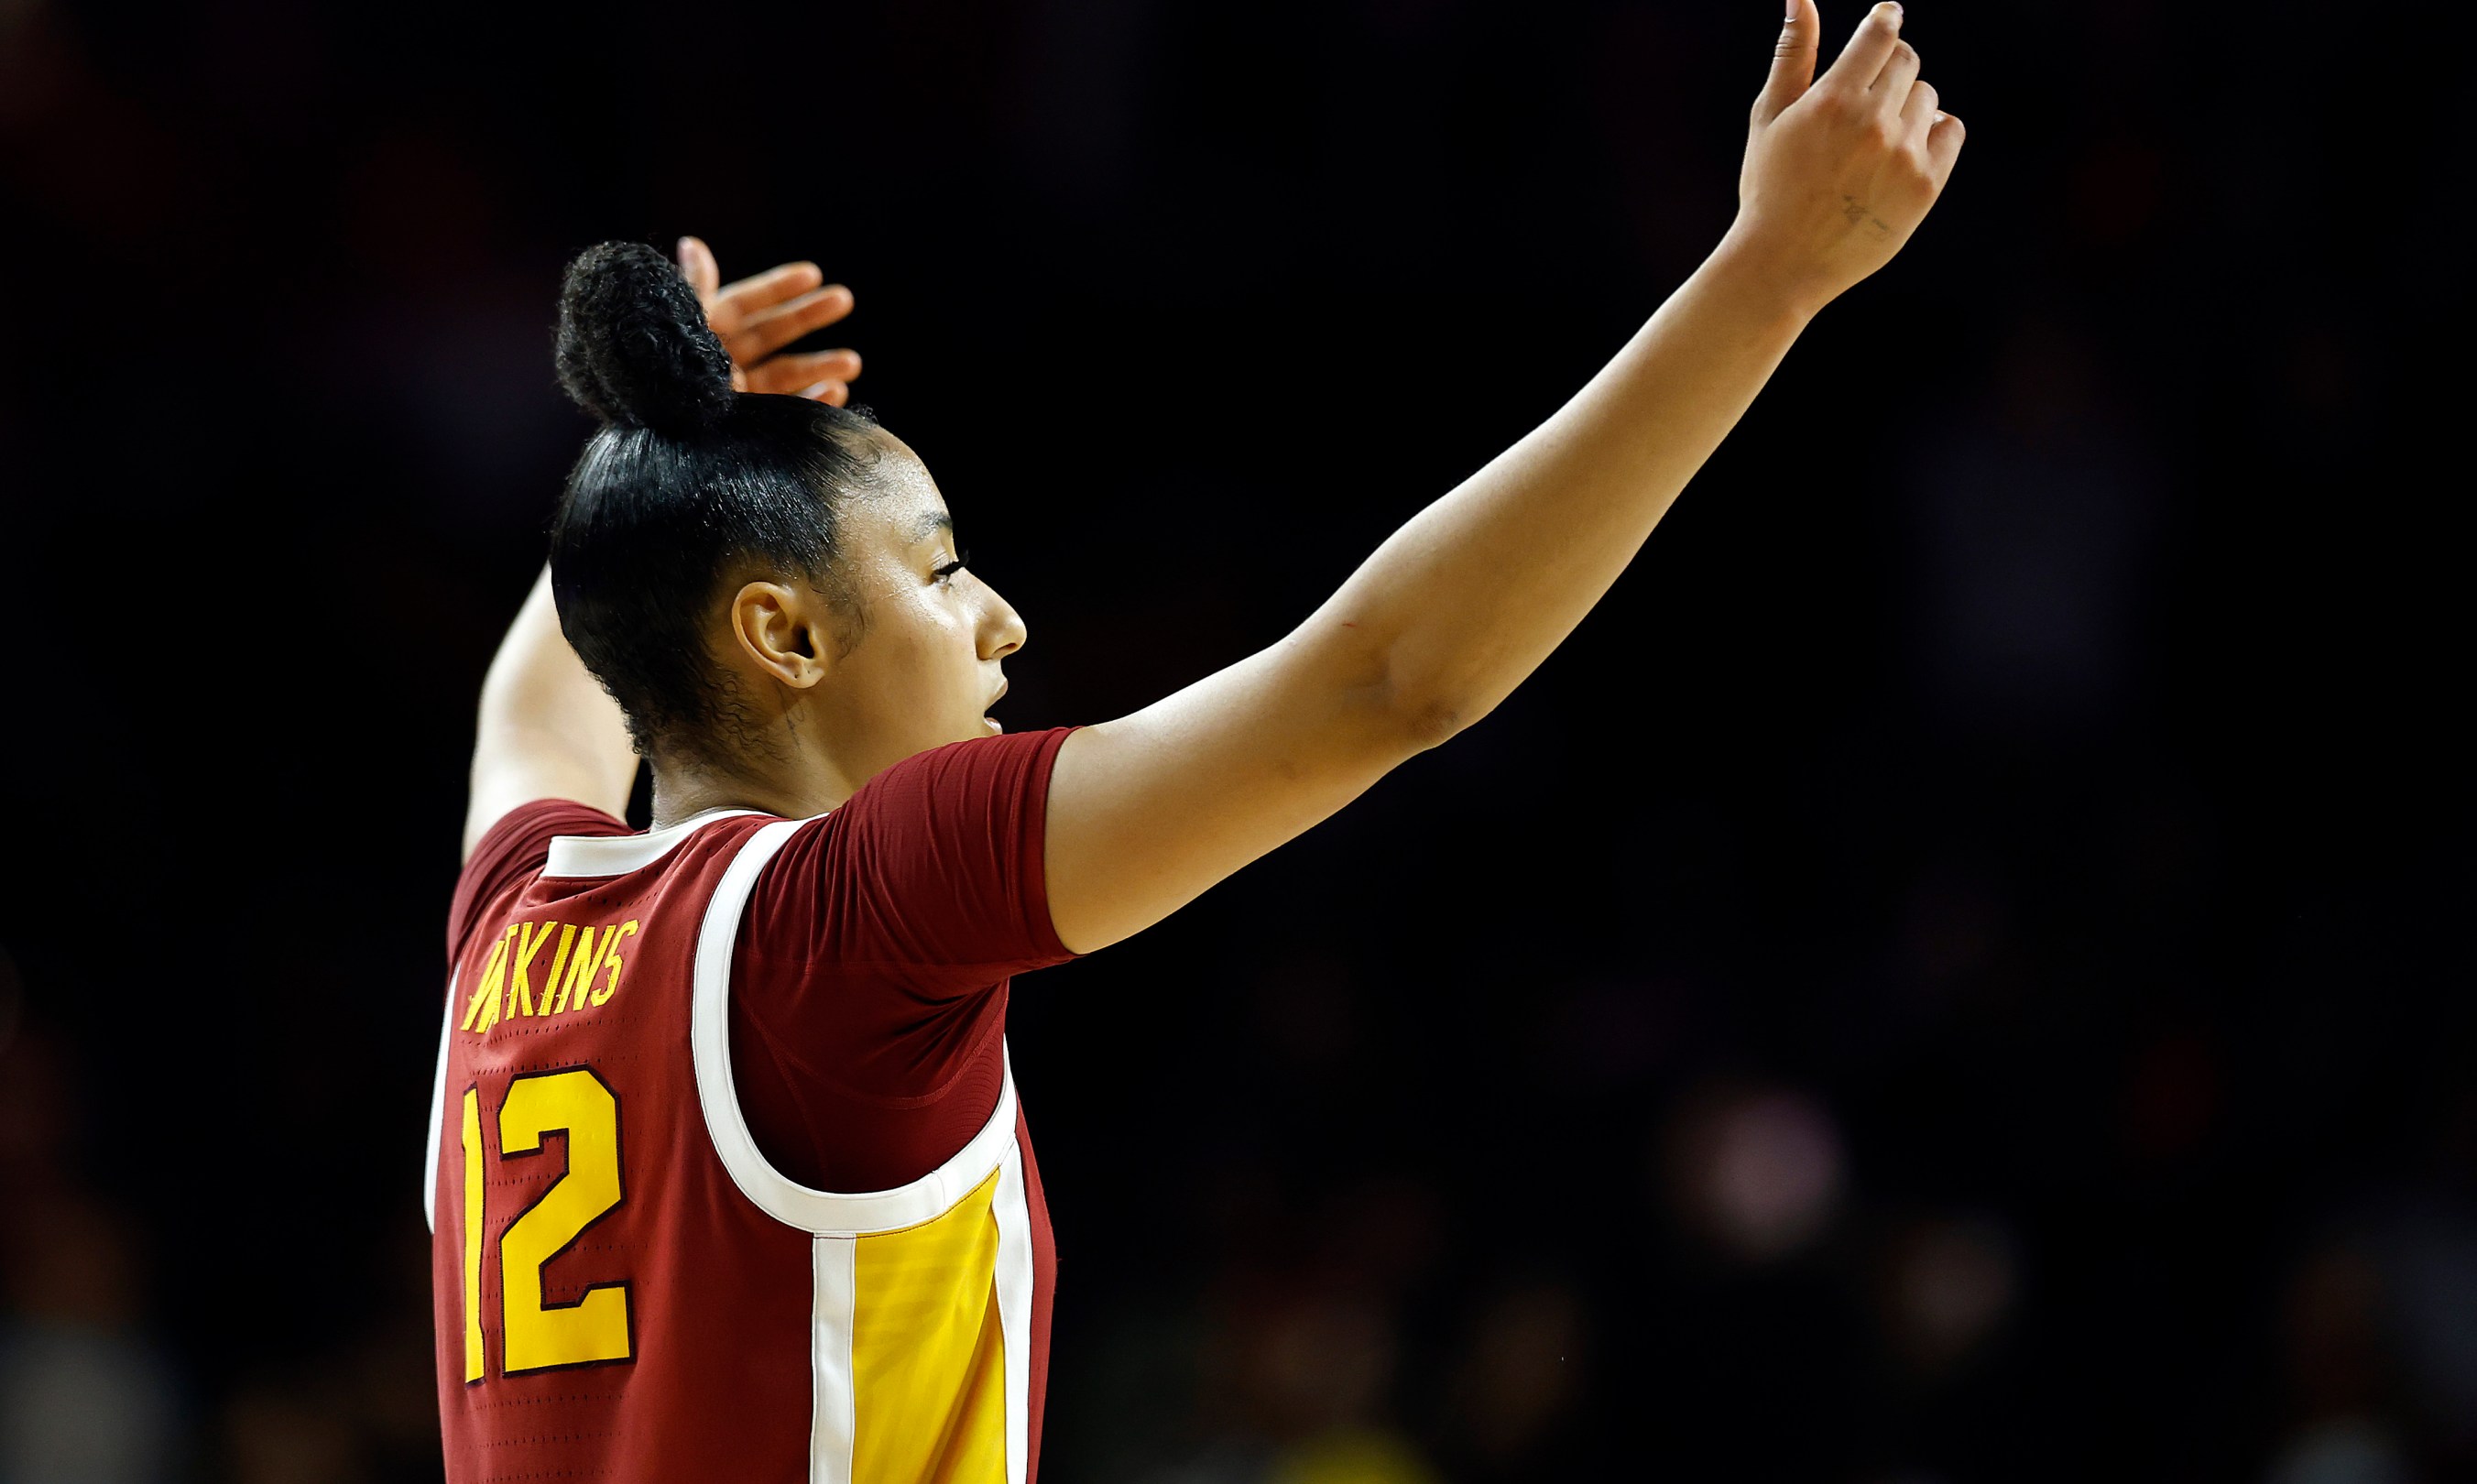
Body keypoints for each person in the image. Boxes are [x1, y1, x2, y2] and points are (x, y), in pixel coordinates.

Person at [426, 5, 1963, 1480]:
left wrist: (673, 463)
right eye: (944, 567)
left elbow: (542, 693)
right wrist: (1767, 279)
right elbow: (1387, 684)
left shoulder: (514, 927)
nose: (1002, 620)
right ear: (787, 636)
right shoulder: (847, 922)